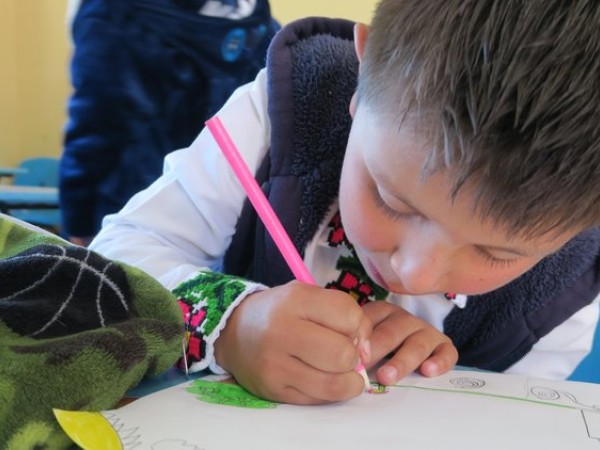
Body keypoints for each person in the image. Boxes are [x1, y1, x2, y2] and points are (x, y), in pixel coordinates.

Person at [90, 0, 600, 405]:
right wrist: (232, 324)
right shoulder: (278, 120)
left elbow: (512, 421)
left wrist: (445, 382)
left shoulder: (562, 299)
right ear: (364, 73)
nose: (414, 274)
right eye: (392, 200)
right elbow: (110, 259)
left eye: (499, 254)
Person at [60, 0, 279, 246]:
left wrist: (79, 225)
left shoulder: (111, 14)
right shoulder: (255, 21)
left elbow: (96, 125)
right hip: (223, 215)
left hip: (133, 212)